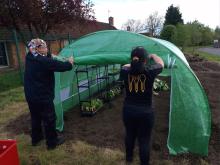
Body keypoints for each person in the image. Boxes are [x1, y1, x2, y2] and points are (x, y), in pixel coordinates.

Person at [24, 38, 74, 150]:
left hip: (31, 95)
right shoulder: (44, 62)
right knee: (49, 118)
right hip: (42, 96)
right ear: (38, 49)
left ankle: (36, 139)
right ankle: (52, 142)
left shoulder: (30, 57)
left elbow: (47, 59)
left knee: (35, 117)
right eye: (44, 47)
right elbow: (61, 66)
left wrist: (49, 55)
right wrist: (70, 63)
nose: (46, 49)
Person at [120, 46, 164, 165]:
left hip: (128, 111)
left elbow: (126, 65)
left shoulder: (124, 71)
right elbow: (161, 63)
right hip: (146, 113)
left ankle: (129, 159)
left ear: (132, 59)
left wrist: (134, 61)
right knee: (144, 140)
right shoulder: (150, 71)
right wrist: (153, 56)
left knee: (129, 134)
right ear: (145, 61)